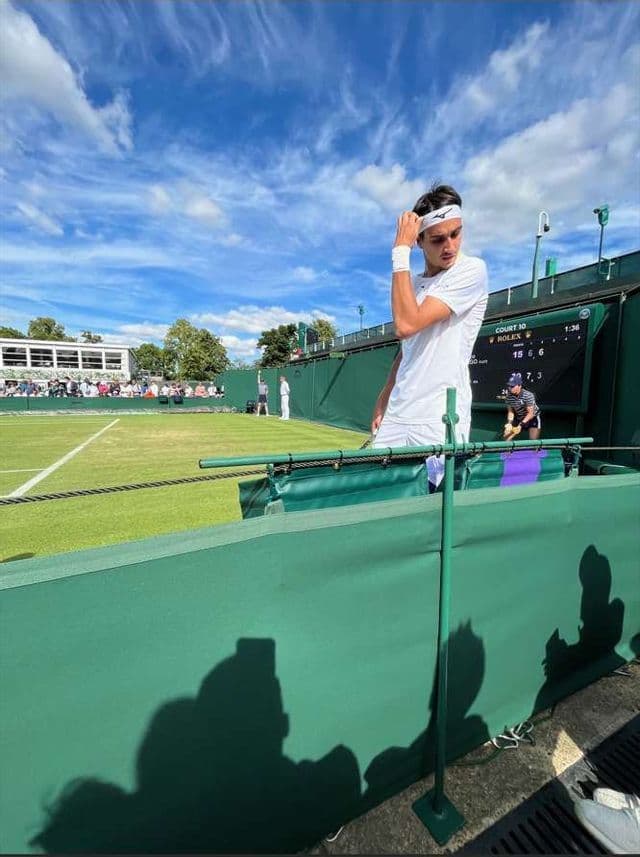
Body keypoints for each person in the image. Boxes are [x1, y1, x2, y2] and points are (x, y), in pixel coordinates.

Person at [371, 183, 488, 487]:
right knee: (378, 500)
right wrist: (384, 395)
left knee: (434, 514)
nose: (449, 245)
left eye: (456, 233)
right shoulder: (413, 284)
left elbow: (406, 325)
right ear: (420, 241)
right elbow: (408, 344)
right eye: (437, 239)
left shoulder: (471, 270)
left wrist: (400, 251)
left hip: (440, 418)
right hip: (398, 413)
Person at [503, 372, 541, 439]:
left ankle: (534, 448)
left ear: (519, 386)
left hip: (533, 418)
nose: (510, 388)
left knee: (533, 443)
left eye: (512, 386)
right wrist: (509, 423)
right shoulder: (508, 396)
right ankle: (508, 449)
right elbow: (511, 412)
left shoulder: (528, 395)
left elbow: (531, 413)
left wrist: (520, 425)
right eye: (509, 386)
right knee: (506, 436)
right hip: (519, 417)